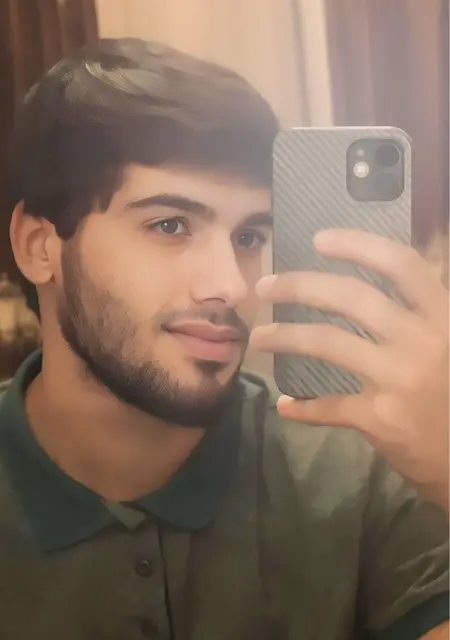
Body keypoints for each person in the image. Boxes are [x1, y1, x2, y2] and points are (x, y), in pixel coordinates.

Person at [0, 38, 448, 640]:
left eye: (248, 237)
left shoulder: (356, 472)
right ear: (38, 246)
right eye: (170, 225)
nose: (232, 286)